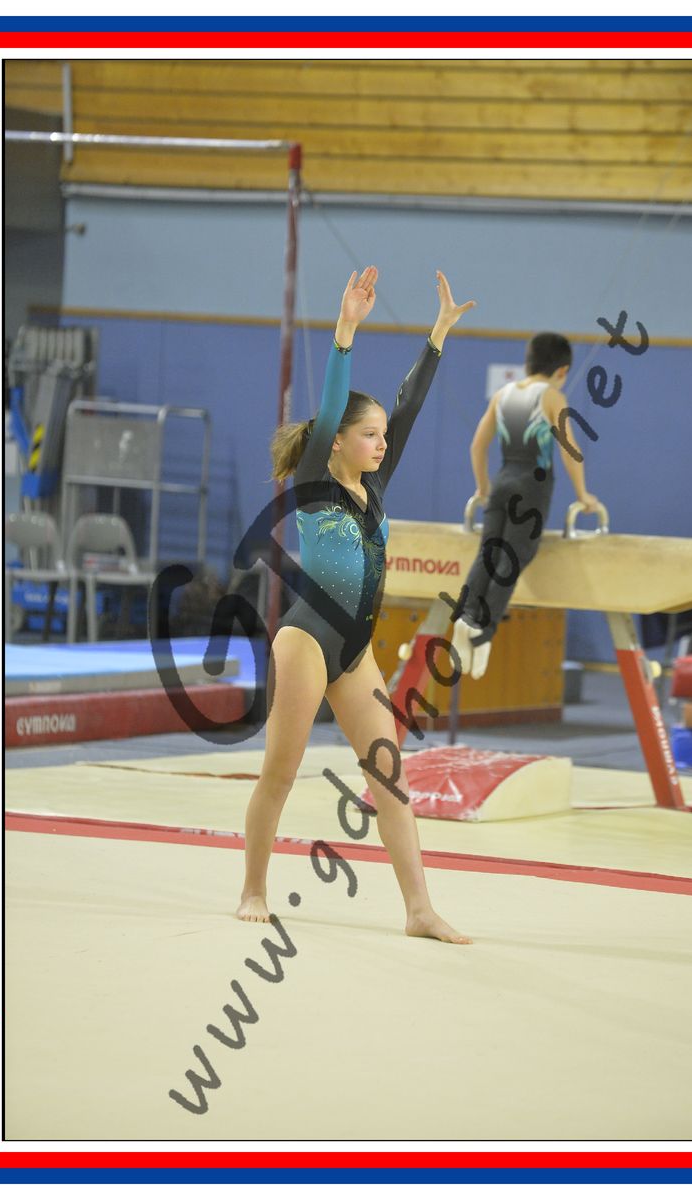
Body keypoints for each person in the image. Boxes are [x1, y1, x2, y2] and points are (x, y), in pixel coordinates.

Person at [236, 267, 476, 944]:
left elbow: (407, 408)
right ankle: (253, 887)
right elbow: (337, 396)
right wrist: (345, 330)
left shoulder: (376, 484)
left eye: (381, 437)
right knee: (280, 773)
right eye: (369, 435)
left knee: (389, 777)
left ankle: (419, 909)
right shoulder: (317, 480)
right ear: (336, 440)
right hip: (308, 641)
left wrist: (437, 335)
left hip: (354, 650)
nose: (381, 443)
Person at [450, 332, 602, 680]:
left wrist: (483, 487)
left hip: (502, 480)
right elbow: (569, 449)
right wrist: (583, 495)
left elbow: (477, 446)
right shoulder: (552, 397)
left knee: (489, 553)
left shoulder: (502, 395)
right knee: (514, 558)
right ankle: (482, 631)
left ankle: (466, 615)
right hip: (533, 487)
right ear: (562, 370)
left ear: (527, 362)